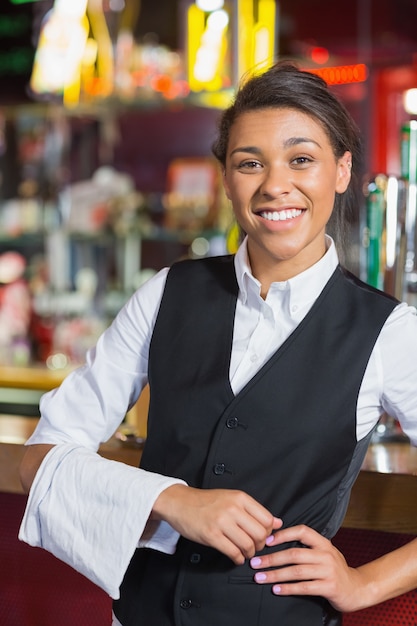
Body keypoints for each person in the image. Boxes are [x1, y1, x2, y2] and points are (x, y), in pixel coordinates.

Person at [19, 61, 417, 626]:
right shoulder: (167, 294)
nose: (275, 184)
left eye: (301, 159)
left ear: (342, 170)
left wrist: (362, 584)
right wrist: (173, 500)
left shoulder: (389, 332)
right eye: (249, 163)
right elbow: (39, 459)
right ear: (227, 179)